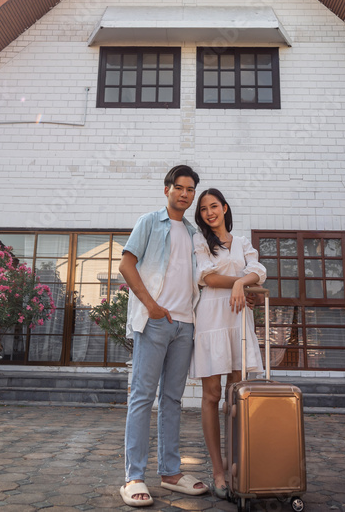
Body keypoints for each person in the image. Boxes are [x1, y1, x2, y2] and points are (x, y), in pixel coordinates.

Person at [118, 165, 209, 507]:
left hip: (185, 325)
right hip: (155, 322)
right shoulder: (148, 222)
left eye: (191, 189)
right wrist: (152, 306)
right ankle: (134, 476)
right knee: (142, 397)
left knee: (172, 400)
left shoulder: (192, 231)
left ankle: (171, 472)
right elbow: (126, 265)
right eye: (180, 187)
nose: (185, 194)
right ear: (167, 189)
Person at [189, 188, 266, 499]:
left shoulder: (243, 242)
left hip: (238, 319)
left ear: (224, 208)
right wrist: (239, 281)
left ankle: (238, 466)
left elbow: (258, 272)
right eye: (204, 208)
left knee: (236, 397)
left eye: (214, 206)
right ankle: (219, 472)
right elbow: (205, 277)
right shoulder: (200, 241)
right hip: (211, 319)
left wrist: (241, 283)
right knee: (211, 395)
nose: (210, 212)